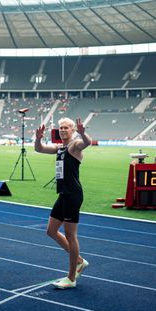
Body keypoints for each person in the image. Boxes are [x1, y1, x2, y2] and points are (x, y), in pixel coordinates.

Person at [34, 117, 92, 289]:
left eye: (66, 127)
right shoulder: (60, 148)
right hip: (63, 194)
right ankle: (80, 261)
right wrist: (38, 137)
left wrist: (82, 133)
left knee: (70, 235)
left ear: (72, 130)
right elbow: (39, 148)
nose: (63, 130)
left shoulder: (74, 146)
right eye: (60, 127)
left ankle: (71, 278)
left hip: (73, 195)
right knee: (51, 231)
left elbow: (86, 143)